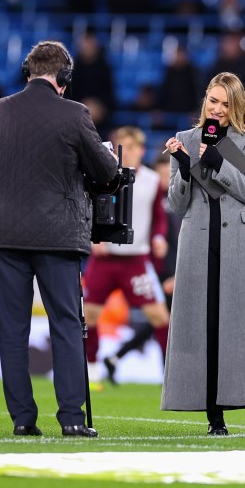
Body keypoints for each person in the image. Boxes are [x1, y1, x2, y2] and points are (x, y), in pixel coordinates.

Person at [0, 40, 117, 438]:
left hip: (3, 236)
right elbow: (106, 169)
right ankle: (72, 418)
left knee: (12, 330)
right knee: (67, 327)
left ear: (29, 71)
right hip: (56, 236)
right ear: (63, 77)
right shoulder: (75, 114)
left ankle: (23, 419)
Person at [161, 72, 245, 435]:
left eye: (226, 104)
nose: (217, 109)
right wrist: (184, 168)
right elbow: (177, 203)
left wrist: (217, 160)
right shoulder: (185, 140)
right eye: (213, 101)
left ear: (237, 107)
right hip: (199, 240)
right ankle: (215, 419)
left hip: (241, 242)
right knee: (204, 326)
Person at [84, 126, 169, 384]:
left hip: (136, 260)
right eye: (123, 146)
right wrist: (93, 235)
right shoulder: (102, 178)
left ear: (141, 150)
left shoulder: (153, 181)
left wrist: (158, 237)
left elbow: (159, 218)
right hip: (105, 259)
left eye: (132, 147)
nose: (128, 152)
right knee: (89, 314)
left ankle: (170, 373)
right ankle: (92, 365)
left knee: (159, 316)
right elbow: (88, 210)